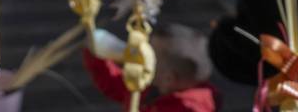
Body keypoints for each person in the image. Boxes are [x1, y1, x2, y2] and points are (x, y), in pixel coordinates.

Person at [83, 23, 221, 111]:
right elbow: (116, 84)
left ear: (168, 78)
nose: (141, 55)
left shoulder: (189, 108)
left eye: (148, 56)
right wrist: (97, 55)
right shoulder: (152, 83)